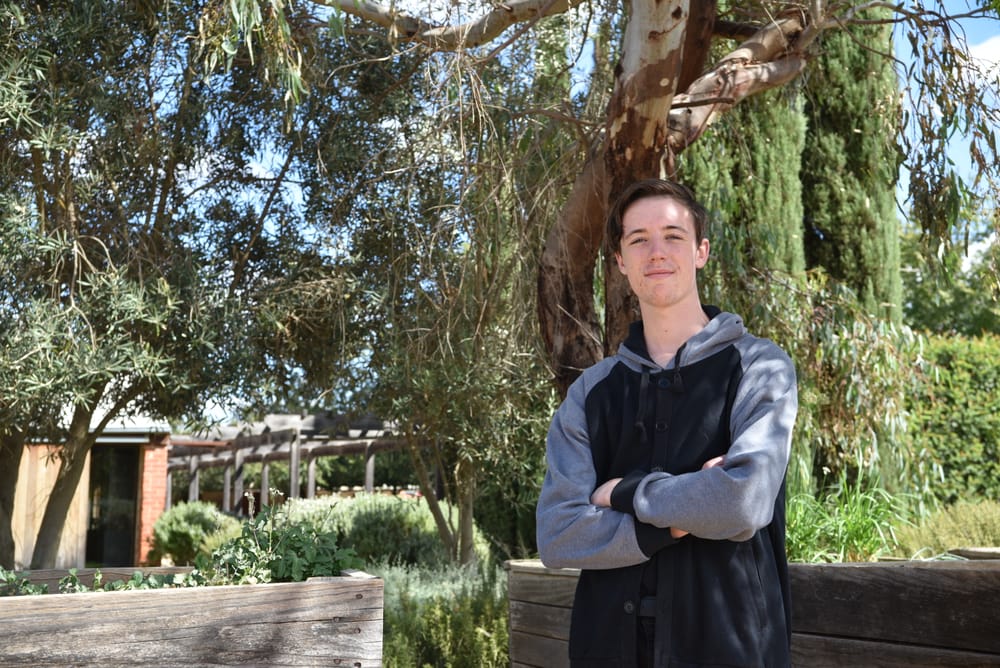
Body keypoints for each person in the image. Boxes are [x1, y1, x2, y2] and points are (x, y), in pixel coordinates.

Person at [536, 178, 798, 667]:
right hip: (606, 651)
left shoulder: (759, 367)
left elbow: (743, 502)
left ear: (700, 251)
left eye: (673, 236)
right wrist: (677, 521)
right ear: (620, 263)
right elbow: (557, 533)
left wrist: (622, 494)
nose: (656, 251)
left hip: (732, 649)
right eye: (638, 239)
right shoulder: (590, 394)